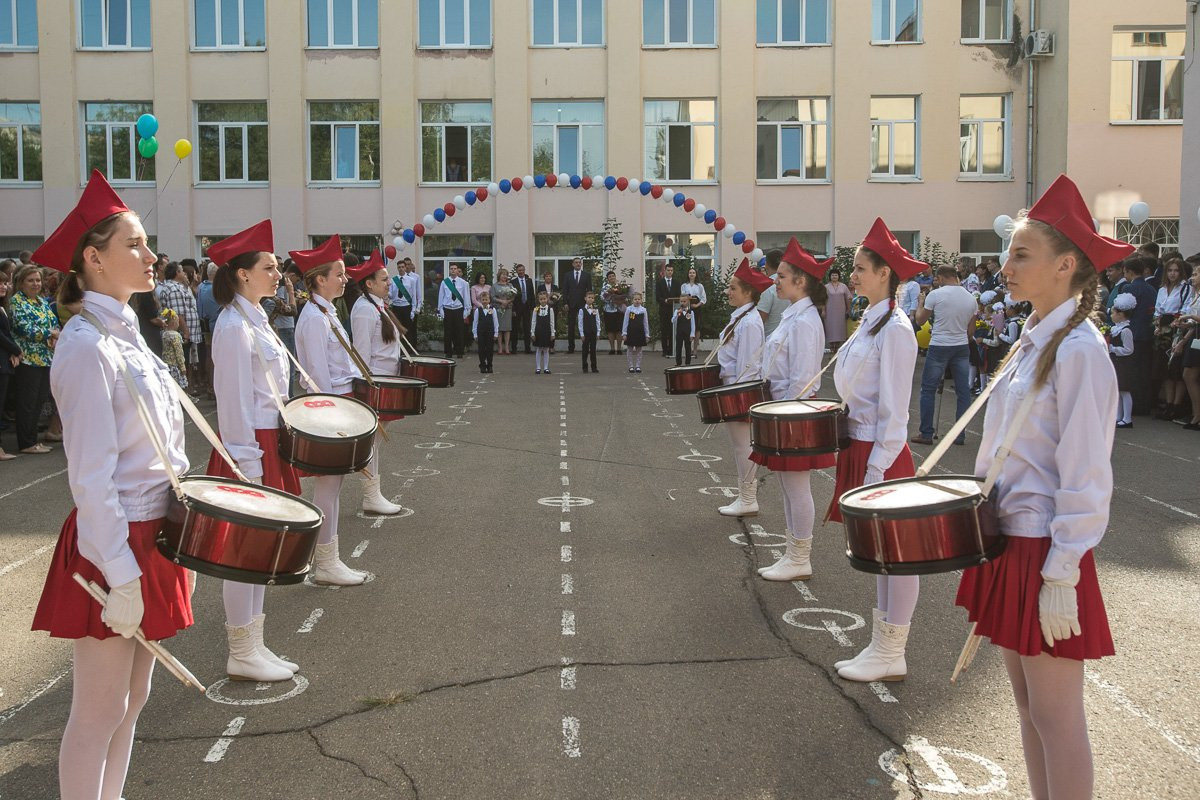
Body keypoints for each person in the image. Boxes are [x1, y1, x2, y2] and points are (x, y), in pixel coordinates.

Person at [956, 175, 1128, 800]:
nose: (1005, 265)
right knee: (1029, 710)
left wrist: (1063, 572)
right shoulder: (1037, 340)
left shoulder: (1081, 350)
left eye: (1021, 254)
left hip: (1048, 551)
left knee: (1056, 716)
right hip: (1012, 540)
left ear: (1065, 266)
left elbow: (1087, 474)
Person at [30, 170, 194, 800]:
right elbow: (90, 476)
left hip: (153, 530)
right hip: (114, 540)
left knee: (134, 701)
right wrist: (120, 572)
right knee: (97, 710)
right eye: (135, 244)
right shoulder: (85, 344)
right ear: (93, 259)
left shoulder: (129, 332)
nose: (151, 257)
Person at [203, 219, 304, 682]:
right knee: (244, 549)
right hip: (249, 445)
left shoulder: (255, 317)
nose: (278, 272)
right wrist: (247, 463)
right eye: (270, 266)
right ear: (242, 273)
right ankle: (241, 649)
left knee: (262, 547)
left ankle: (255, 645)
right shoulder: (231, 325)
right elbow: (233, 400)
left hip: (269, 438)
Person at [828, 218, 924, 683]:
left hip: (880, 452)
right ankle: (880, 646)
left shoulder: (896, 329)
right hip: (862, 445)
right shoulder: (869, 321)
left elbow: (895, 410)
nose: (854, 274)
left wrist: (878, 466)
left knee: (897, 554)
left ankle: (892, 651)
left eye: (862, 268)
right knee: (880, 555)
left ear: (885, 273)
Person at [752, 241, 834, 578]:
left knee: (797, 487)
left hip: (794, 410)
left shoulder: (804, 321)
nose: (776, 280)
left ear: (801, 281)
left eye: (782, 276)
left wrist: (782, 413)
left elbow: (802, 379)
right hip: (782, 407)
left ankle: (800, 557)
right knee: (788, 486)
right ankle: (793, 555)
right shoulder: (794, 314)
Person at [291, 235, 368, 587]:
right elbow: (319, 378)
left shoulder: (326, 312)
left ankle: (328, 558)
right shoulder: (314, 318)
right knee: (328, 488)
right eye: (338, 273)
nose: (345, 278)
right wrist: (332, 417)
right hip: (331, 407)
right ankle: (326, 561)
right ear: (320, 279)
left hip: (342, 403)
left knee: (333, 488)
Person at [348, 250, 407, 516]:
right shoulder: (363, 310)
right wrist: (370, 390)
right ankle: (371, 495)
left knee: (376, 442)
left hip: (386, 382)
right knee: (371, 441)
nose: (389, 283)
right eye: (384, 279)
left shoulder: (377, 306)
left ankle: (374, 494)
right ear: (369, 283)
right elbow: (360, 355)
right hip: (375, 386)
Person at [715, 259, 771, 517]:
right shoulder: (742, 318)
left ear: (748, 292)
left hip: (739, 391)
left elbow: (748, 366)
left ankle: (748, 498)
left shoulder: (749, 322)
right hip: (732, 388)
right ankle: (745, 495)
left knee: (742, 446)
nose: (729, 292)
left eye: (734, 288)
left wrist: (737, 397)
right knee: (739, 445)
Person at [911, 265, 978, 446]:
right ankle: (959, 435)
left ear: (940, 277)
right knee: (963, 391)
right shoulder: (971, 298)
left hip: (939, 345)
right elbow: (971, 331)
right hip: (961, 346)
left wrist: (919, 303)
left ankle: (926, 433)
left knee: (928, 389)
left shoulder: (936, 295)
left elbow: (920, 320)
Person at [10, 264, 60, 454]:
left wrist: (53, 334)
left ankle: (33, 440)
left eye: (38, 280)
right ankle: (26, 442)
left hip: (45, 358)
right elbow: (25, 328)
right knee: (27, 402)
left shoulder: (41, 301)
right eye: (30, 280)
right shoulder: (17, 302)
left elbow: (54, 323)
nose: (35, 284)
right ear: (21, 283)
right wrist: (50, 333)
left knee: (38, 400)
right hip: (28, 359)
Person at [1117, 255, 1158, 415]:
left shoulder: (1129, 288)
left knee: (1131, 372)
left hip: (1132, 333)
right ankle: (1144, 404)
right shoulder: (1151, 289)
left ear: (1128, 271)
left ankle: (1131, 406)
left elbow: (1125, 313)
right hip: (1147, 334)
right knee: (1144, 371)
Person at [1171, 266, 1200, 430]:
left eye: (1196, 275)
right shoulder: (1194, 294)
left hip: (1198, 335)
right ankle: (1196, 415)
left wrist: (1189, 317)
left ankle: (1197, 415)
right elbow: (1193, 324)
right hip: (1195, 334)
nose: (1192, 278)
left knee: (1189, 375)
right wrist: (1183, 325)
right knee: (1189, 375)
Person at [0, 269, 20, 460]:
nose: (3, 287)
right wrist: (16, 350)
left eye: (5, 283)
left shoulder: (3, 307)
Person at [1109, 294, 1137, 428]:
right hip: (1116, 362)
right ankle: (1118, 416)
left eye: (1114, 312)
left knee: (1125, 391)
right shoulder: (1115, 329)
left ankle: (1127, 418)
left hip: (1124, 364)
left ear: (1121, 314)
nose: (1111, 315)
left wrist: (1113, 349)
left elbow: (1129, 349)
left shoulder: (1126, 331)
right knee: (1118, 390)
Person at [437, 263, 470, 360]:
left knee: (459, 332)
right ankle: (448, 352)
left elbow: (466, 296)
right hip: (447, 309)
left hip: (458, 309)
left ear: (457, 270)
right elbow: (441, 296)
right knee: (448, 332)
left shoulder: (463, 283)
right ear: (449, 270)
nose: (453, 270)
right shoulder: (444, 282)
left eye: (455, 269)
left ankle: (459, 351)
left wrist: (467, 310)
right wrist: (440, 309)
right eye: (451, 269)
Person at [563, 257, 591, 354]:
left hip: (583, 305)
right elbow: (565, 290)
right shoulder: (567, 275)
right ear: (573, 264)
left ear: (581, 264)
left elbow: (589, 291)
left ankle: (586, 347)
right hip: (571, 304)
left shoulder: (586, 275)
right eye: (576, 262)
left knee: (585, 326)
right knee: (571, 326)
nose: (578, 264)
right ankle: (571, 348)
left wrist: (589, 304)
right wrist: (565, 303)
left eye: (579, 262)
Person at [621, 292, 651, 373]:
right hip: (630, 332)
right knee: (630, 349)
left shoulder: (643, 310)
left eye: (639, 299)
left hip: (640, 332)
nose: (637, 301)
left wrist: (647, 335)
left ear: (641, 300)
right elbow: (625, 321)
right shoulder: (629, 309)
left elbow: (645, 323)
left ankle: (638, 366)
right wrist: (624, 333)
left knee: (639, 349)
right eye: (635, 299)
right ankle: (630, 366)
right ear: (632, 300)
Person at [824, 268, 852, 350]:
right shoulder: (826, 287)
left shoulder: (843, 286)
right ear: (830, 276)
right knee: (830, 328)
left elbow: (848, 298)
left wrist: (848, 309)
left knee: (840, 328)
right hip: (829, 311)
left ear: (839, 276)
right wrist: (823, 310)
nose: (834, 276)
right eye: (832, 275)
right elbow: (822, 300)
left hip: (840, 311)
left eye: (836, 275)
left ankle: (837, 346)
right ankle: (831, 346)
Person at [680, 267, 707, 353]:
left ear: (696, 275)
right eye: (690, 272)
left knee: (697, 328)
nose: (692, 274)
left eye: (693, 273)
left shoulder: (700, 286)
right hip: (687, 308)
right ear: (688, 274)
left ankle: (695, 349)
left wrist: (697, 305)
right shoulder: (684, 285)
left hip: (696, 308)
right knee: (687, 327)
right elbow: (682, 297)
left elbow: (703, 299)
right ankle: (688, 349)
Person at [388, 257, 418, 333]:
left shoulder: (411, 280)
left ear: (405, 268)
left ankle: (408, 345)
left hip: (407, 307)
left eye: (402, 267)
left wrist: (413, 310)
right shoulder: (393, 280)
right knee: (397, 330)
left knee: (408, 330)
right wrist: (385, 291)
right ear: (397, 268)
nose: (401, 269)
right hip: (396, 307)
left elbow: (414, 296)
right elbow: (391, 296)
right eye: (399, 267)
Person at [491, 267, 516, 355]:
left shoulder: (510, 286)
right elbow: (492, 297)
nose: (504, 276)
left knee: (507, 329)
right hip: (498, 308)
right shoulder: (495, 286)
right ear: (499, 276)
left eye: (506, 275)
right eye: (503, 275)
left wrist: (507, 301)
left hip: (508, 308)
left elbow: (513, 296)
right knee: (499, 329)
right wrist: (501, 301)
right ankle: (500, 348)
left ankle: (507, 347)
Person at [600, 270, 627, 355]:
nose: (612, 278)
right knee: (610, 330)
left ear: (615, 277)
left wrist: (621, 299)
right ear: (607, 279)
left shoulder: (620, 286)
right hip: (608, 311)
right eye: (610, 276)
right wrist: (611, 298)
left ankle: (619, 349)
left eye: (613, 276)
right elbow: (602, 297)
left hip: (619, 311)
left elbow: (626, 296)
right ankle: (612, 348)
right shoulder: (605, 287)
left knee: (619, 330)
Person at [159, 309, 187, 387]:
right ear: (174, 322)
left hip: (166, 364)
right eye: (178, 322)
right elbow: (179, 353)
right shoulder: (175, 336)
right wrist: (182, 367)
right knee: (178, 387)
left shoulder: (163, 334)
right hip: (175, 366)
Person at [511, 264, 536, 353]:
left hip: (527, 307)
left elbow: (532, 295)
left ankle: (527, 348)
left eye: (522, 270)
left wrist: (533, 308)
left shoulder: (529, 281)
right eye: (519, 270)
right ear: (517, 271)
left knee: (527, 328)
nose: (521, 272)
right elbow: (511, 297)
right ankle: (514, 348)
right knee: (515, 329)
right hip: (517, 308)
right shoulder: (513, 282)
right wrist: (513, 309)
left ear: (524, 270)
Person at [472, 290, 497, 373]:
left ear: (489, 300)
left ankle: (489, 365)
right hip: (481, 333)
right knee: (481, 349)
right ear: (481, 300)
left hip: (490, 332)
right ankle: (482, 365)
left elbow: (495, 322)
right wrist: (475, 334)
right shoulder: (477, 311)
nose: (485, 301)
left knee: (490, 349)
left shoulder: (492, 309)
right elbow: (475, 323)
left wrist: (496, 333)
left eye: (486, 299)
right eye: (483, 300)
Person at [655, 263, 677, 356]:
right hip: (663, 309)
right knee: (664, 330)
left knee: (672, 330)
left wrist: (673, 301)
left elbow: (678, 296)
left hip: (673, 310)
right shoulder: (660, 282)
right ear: (665, 271)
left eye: (671, 270)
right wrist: (664, 300)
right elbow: (658, 297)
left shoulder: (676, 283)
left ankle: (671, 350)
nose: (670, 272)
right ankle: (664, 350)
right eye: (668, 270)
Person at [577, 290, 601, 373]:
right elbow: (580, 323)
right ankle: (584, 366)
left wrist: (598, 332)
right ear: (585, 298)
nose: (590, 299)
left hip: (593, 332)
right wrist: (581, 334)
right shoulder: (582, 310)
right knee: (585, 350)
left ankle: (594, 367)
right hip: (586, 333)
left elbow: (598, 321)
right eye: (589, 297)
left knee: (593, 350)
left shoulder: (595, 310)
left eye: (592, 298)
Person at [532, 291, 555, 374]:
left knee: (546, 349)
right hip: (538, 331)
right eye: (541, 299)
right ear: (538, 300)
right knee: (538, 349)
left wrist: (553, 333)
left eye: (544, 299)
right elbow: (533, 321)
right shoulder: (536, 309)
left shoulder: (550, 309)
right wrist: (532, 333)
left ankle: (546, 368)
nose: (543, 301)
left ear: (547, 299)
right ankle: (538, 367)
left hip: (547, 331)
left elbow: (552, 322)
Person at [672, 300, 696, 366]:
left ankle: (688, 363)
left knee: (688, 347)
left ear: (688, 302)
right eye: (681, 301)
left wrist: (692, 334)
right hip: (679, 332)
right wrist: (677, 315)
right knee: (678, 347)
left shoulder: (691, 312)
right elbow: (673, 321)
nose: (682, 303)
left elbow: (693, 324)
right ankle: (678, 363)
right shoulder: (677, 311)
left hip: (687, 333)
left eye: (684, 301)